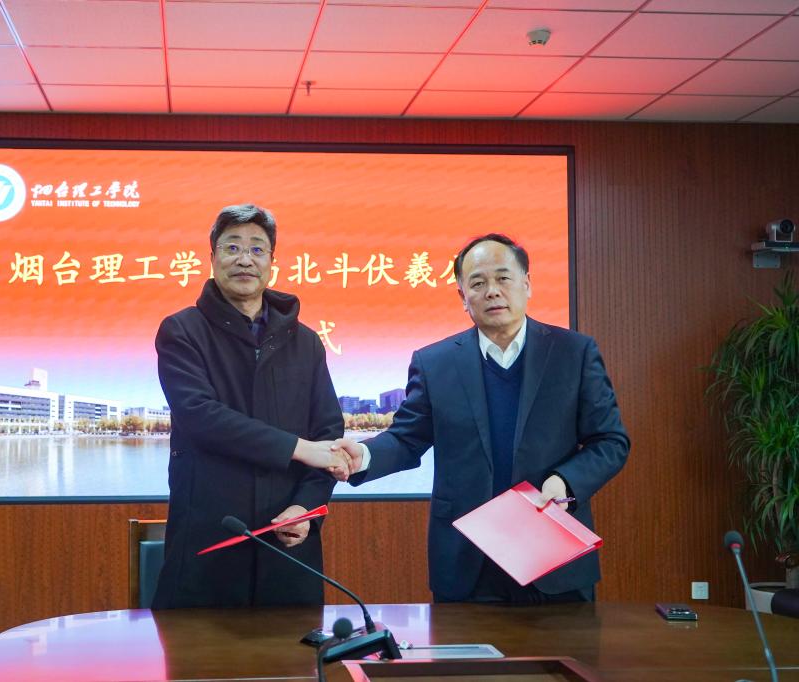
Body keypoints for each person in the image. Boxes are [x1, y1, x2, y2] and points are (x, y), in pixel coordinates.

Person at [334, 233, 629, 604]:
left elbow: (610, 441)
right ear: (462, 297)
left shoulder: (574, 352)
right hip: (467, 562)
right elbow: (407, 439)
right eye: (477, 283)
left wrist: (565, 482)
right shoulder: (435, 363)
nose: (492, 291)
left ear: (527, 284)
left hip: (553, 556)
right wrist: (364, 455)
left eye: (503, 278)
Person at [151, 203, 347, 609]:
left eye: (258, 249)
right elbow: (201, 417)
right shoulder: (181, 331)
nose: (245, 259)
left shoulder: (306, 342)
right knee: (197, 649)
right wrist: (299, 448)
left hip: (288, 546)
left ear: (272, 262)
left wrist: (306, 508)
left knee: (294, 649)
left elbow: (328, 434)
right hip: (209, 544)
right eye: (232, 247)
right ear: (212, 258)